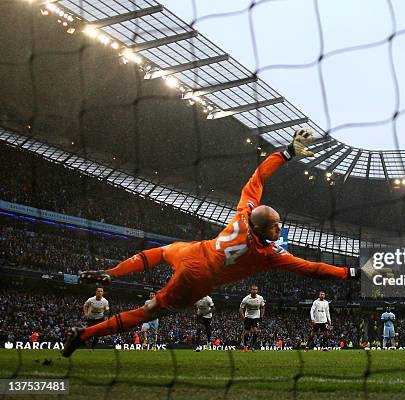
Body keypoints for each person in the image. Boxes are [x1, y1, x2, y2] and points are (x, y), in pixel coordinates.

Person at [63, 130, 360, 357]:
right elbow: (313, 269)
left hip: (197, 249)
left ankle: (112, 273)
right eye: (276, 226)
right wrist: (349, 273)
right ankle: (85, 334)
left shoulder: (244, 213)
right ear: (264, 229)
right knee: (151, 310)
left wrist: (287, 153)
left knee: (162, 251)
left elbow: (258, 176)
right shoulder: (268, 254)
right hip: (198, 278)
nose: (280, 228)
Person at [240, 285, 265, 352]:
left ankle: (253, 346)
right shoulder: (246, 299)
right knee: (246, 332)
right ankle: (245, 346)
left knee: (256, 331)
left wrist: (261, 316)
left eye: (256, 290)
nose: (254, 291)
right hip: (248, 317)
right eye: (253, 289)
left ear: (257, 290)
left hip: (256, 317)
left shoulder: (260, 298)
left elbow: (263, 307)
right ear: (250, 290)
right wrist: (243, 318)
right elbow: (241, 308)